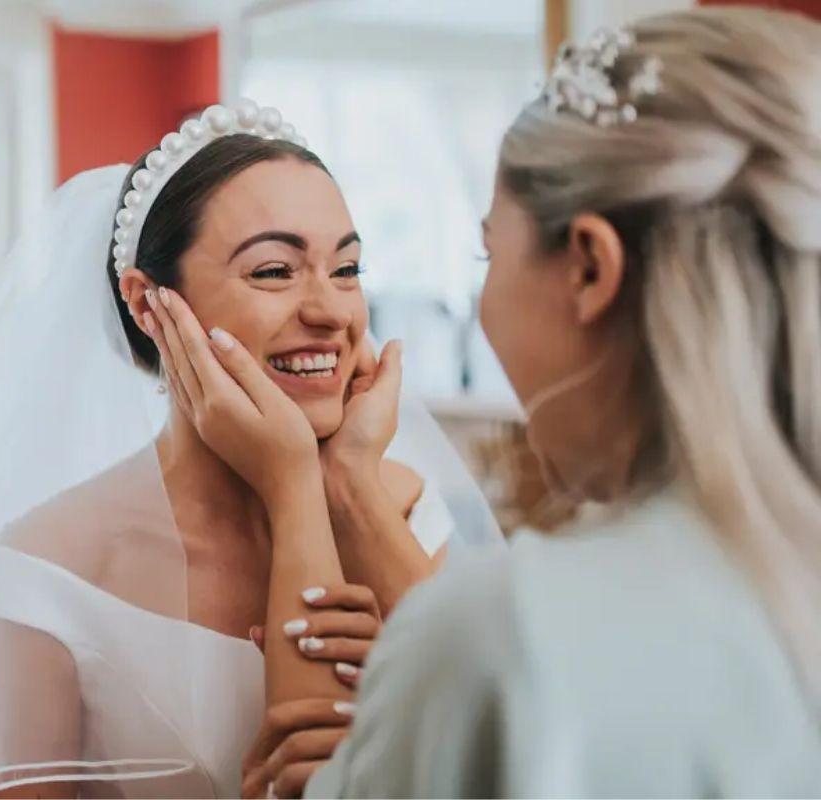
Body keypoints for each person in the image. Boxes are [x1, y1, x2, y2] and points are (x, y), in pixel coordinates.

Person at [165, 8, 820, 797]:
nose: (333, 310)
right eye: (275, 271)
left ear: (587, 269)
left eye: (489, 251)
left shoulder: (503, 636)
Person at [0, 101, 501, 799]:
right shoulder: (37, 580)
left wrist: (344, 482)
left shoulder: (403, 509)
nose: (330, 311)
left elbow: (515, 751)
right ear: (147, 303)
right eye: (273, 272)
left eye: (346, 268)